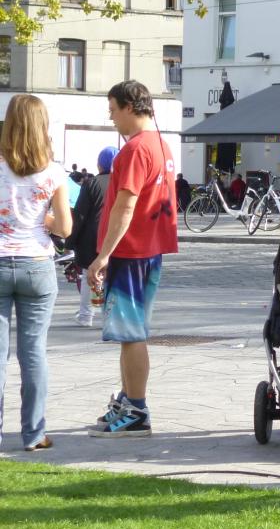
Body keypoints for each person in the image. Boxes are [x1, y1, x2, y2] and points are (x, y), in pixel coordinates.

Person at [87, 81, 179, 438]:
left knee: (131, 334)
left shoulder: (135, 150)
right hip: (150, 250)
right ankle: (127, 400)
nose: (112, 119)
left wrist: (103, 255)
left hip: (130, 251)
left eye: (112, 110)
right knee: (132, 333)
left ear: (129, 106)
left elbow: (126, 206)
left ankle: (137, 409)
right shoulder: (160, 143)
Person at [0, 95, 73, 451]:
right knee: (33, 353)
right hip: (36, 266)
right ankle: (33, 434)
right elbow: (65, 228)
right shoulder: (53, 171)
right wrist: (41, 220)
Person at [67, 147, 118, 328]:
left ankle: (86, 315)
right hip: (117, 235)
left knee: (90, 275)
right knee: (113, 276)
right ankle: (110, 316)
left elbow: (80, 215)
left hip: (92, 237)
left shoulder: (92, 183)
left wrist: (71, 241)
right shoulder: (123, 182)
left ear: (99, 163)